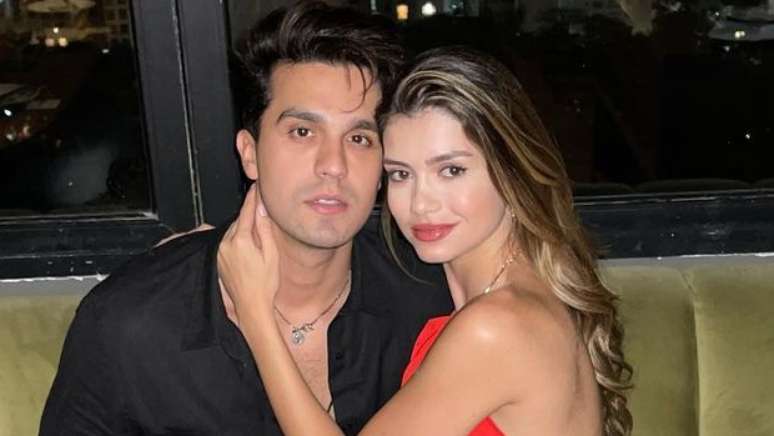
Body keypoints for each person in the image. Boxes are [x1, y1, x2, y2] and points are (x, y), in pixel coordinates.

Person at [39, 3, 453, 435]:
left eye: (360, 138)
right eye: (302, 132)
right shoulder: (131, 321)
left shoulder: (426, 297)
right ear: (249, 153)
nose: (334, 164)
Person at [218, 47, 633, 435]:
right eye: (401, 174)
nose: (420, 203)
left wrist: (255, 312)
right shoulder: (506, 296)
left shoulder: (495, 328)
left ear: (512, 174)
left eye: (451, 171)